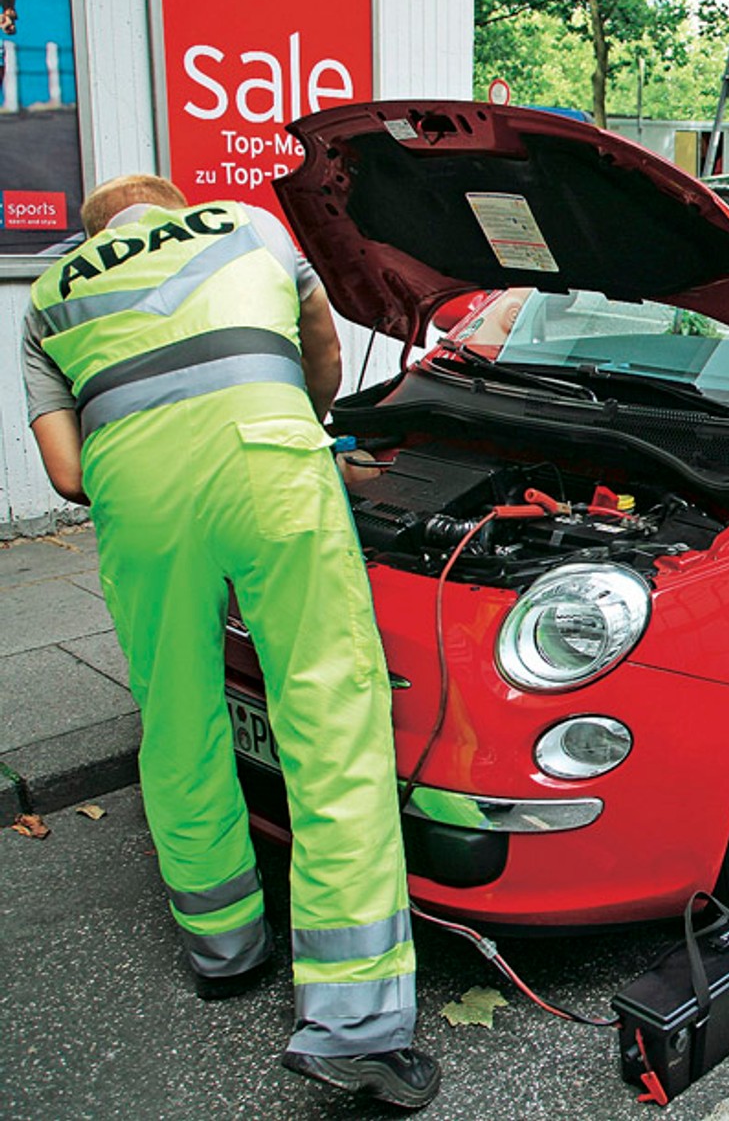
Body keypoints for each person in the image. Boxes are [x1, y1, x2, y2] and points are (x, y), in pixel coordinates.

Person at [20, 175, 440, 1110]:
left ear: (95, 231)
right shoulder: (247, 225)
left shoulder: (51, 296)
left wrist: (145, 453)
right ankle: (355, 1026)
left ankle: (226, 949)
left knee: (178, 719)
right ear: (172, 207)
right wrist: (301, 419)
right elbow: (321, 348)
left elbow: (64, 474)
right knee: (331, 717)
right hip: (272, 466)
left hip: (136, 496)